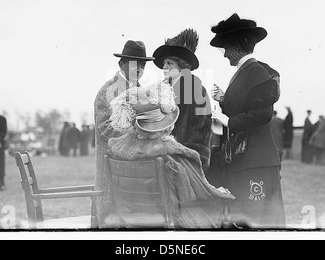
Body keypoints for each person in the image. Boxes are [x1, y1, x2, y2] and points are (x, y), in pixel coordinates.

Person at [108, 82, 234, 228]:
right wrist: (218, 193)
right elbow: (188, 194)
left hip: (131, 217)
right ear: (166, 125)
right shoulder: (171, 154)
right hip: (169, 218)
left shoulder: (117, 150)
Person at [208, 13, 285, 228]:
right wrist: (223, 99)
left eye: (225, 48)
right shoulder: (248, 71)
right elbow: (246, 106)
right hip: (249, 161)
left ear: (236, 46)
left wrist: (228, 121)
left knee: (255, 221)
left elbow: (263, 114)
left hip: (255, 162)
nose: (224, 55)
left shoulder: (255, 71)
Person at [94, 40, 154, 224]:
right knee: (114, 222)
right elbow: (105, 128)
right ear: (121, 64)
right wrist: (138, 130)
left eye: (142, 65)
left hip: (132, 169)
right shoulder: (108, 91)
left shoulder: (140, 91)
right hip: (112, 167)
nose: (139, 69)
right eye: (135, 64)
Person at [152, 29, 212, 172]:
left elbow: (201, 131)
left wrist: (186, 158)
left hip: (186, 161)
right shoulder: (160, 89)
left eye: (169, 63)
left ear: (182, 66)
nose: (164, 67)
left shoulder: (196, 89)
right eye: (164, 63)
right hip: (160, 158)